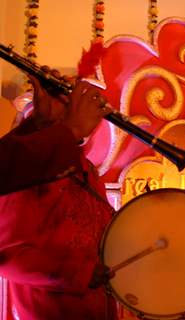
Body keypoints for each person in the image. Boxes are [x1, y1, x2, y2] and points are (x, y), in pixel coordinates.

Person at [0, 70, 117, 320]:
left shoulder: (87, 169)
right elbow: (8, 258)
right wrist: (81, 274)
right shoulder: (33, 171)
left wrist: (42, 124)